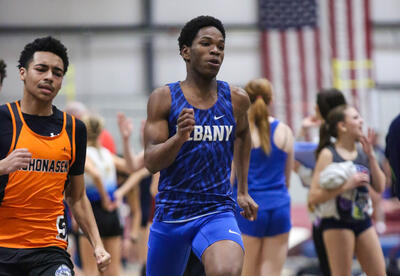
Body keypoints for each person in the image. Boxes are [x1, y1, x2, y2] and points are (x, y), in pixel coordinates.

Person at [143, 15, 258, 276]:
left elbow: (243, 135)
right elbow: (151, 162)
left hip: (216, 210)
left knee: (226, 270)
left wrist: (243, 190)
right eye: (206, 44)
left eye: (220, 46)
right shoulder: (164, 99)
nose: (215, 50)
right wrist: (179, 138)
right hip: (172, 213)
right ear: (186, 51)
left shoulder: (236, 99)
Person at [0, 36, 110, 275]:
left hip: (50, 250)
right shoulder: (3, 120)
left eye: (57, 73)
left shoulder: (74, 129)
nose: (49, 76)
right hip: (3, 247)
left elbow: (77, 197)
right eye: (41, 69)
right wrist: (2, 166)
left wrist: (97, 244)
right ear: (22, 73)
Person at [308, 105, 386, 276]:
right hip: (337, 223)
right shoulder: (328, 154)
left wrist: (371, 156)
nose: (361, 121)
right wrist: (346, 185)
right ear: (342, 126)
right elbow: (313, 197)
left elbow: (380, 187)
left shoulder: (363, 151)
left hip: (363, 220)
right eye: (356, 118)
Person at [232, 78, 294, 276]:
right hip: (279, 207)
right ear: (271, 99)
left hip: (248, 209)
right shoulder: (285, 131)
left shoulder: (239, 131)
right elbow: (287, 179)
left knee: (246, 272)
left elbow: (232, 178)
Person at [80, 112, 138, 276]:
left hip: (93, 212)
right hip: (111, 215)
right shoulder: (107, 154)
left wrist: (104, 198)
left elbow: (96, 175)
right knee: (113, 270)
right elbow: (130, 167)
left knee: (91, 271)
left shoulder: (84, 153)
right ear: (100, 132)